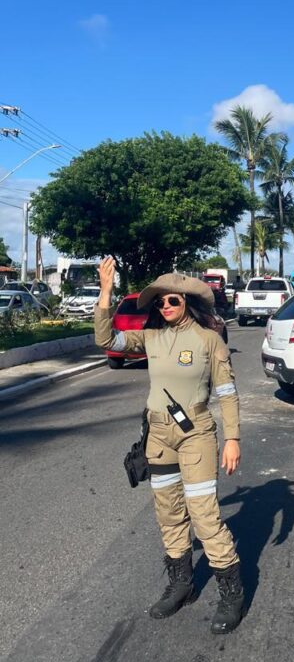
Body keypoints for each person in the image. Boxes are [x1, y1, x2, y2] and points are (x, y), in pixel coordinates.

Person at [94, 256, 245, 634]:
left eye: (172, 301)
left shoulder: (209, 340)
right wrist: (106, 292)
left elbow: (226, 392)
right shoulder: (152, 338)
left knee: (204, 515)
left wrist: (232, 439)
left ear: (187, 302)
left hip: (196, 433)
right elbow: (105, 339)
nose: (165, 306)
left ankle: (232, 593)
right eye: (161, 301)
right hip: (159, 435)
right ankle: (182, 584)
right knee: (168, 513)